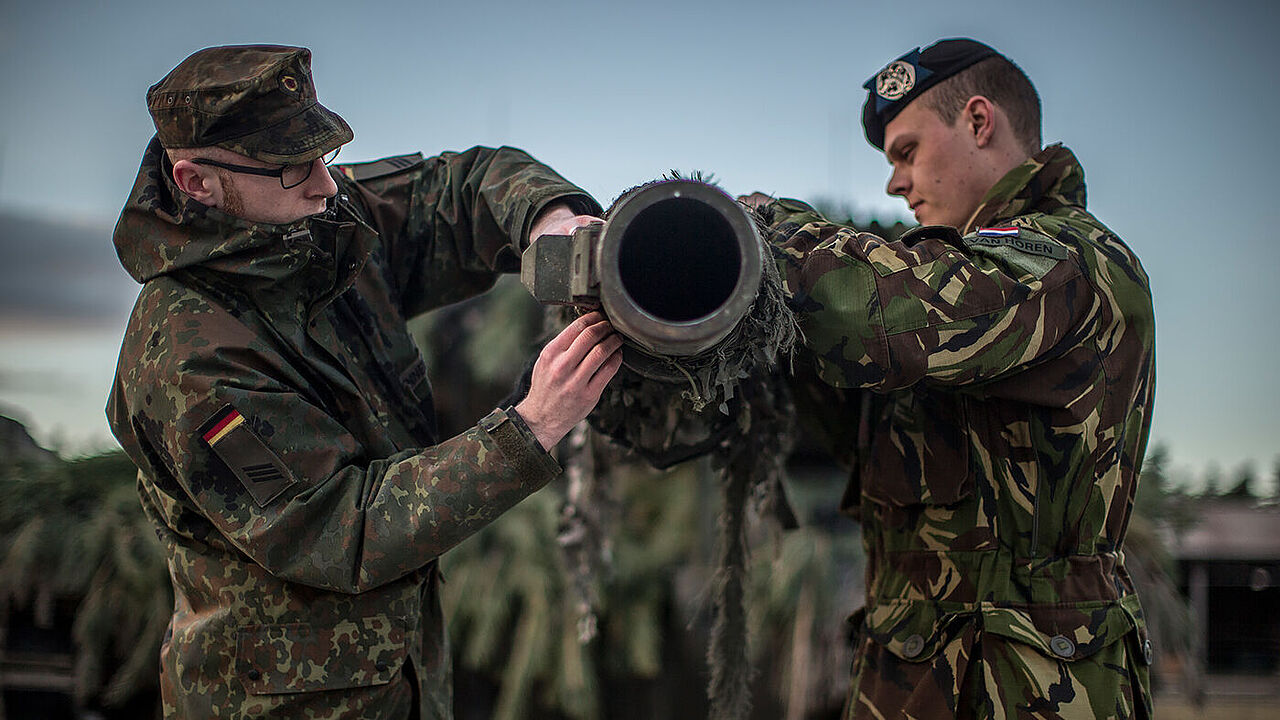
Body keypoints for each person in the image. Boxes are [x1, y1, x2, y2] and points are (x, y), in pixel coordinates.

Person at [105, 45, 623, 719]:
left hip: (402, 684)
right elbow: (338, 529)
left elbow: (459, 187)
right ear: (196, 181)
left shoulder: (321, 221)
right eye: (293, 167)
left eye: (322, 154)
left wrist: (551, 220)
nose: (325, 183)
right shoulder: (190, 360)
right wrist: (532, 428)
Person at [745, 38, 1156, 718]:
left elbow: (892, 307)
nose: (894, 183)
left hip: (1032, 686)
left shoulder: (1062, 258)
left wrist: (765, 235)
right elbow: (864, 427)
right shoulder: (969, 279)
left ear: (977, 121)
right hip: (913, 677)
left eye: (906, 152)